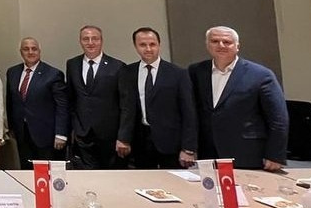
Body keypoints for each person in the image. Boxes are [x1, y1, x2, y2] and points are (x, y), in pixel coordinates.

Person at [188, 26, 288, 171]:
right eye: (215, 41)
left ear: (237, 46)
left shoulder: (261, 75)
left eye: (227, 42)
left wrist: (275, 154)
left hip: (247, 152)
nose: (221, 45)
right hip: (208, 152)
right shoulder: (196, 71)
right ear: (207, 45)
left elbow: (278, 118)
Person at [117, 28, 197, 169]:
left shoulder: (178, 73)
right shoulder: (128, 72)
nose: (148, 49)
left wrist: (188, 148)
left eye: (152, 44)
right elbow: (126, 108)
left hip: (171, 143)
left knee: (173, 181)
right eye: (143, 45)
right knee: (143, 181)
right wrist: (123, 138)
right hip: (140, 142)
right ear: (136, 46)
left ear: (159, 45)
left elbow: (189, 112)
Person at [65, 25, 131, 169]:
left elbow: (126, 105)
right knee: (86, 177)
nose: (90, 42)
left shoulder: (118, 66)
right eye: (86, 39)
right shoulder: (72, 64)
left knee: (110, 176)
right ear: (80, 41)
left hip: (110, 136)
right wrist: (73, 128)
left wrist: (123, 137)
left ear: (101, 41)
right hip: (82, 135)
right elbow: (71, 99)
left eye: (95, 38)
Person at [6, 37, 69, 169]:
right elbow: (10, 102)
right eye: (26, 49)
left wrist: (61, 133)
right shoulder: (12, 72)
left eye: (34, 49)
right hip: (22, 134)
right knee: (26, 171)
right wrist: (11, 127)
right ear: (21, 52)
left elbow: (62, 106)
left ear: (39, 51)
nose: (30, 52)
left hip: (46, 136)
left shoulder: (53, 74)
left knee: (47, 173)